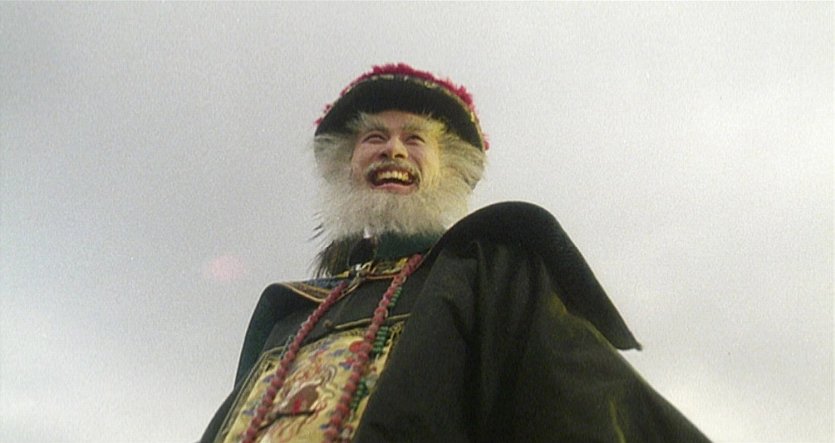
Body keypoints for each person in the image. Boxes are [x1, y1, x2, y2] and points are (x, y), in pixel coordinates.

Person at [201, 63, 709, 443]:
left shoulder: (489, 272)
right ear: (347, 163)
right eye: (374, 137)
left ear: (449, 168)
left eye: (415, 138)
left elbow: (586, 407)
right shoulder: (291, 312)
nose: (393, 150)